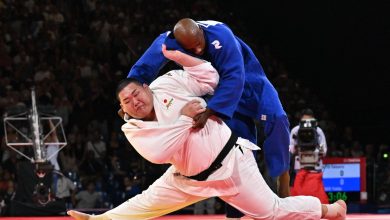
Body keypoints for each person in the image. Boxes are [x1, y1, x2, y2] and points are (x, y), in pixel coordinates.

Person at [67, 46, 346, 220]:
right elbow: (159, 153)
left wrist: (179, 57)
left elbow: (208, 77)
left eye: (135, 93)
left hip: (231, 164)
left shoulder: (168, 83)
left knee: (270, 210)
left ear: (146, 87)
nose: (134, 102)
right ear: (122, 109)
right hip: (186, 179)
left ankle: (329, 210)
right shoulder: (133, 127)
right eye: (126, 102)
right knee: (145, 204)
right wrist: (187, 119)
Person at [126, 18, 291, 219]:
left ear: (202, 34)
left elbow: (234, 76)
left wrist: (211, 110)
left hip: (249, 84)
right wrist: (126, 104)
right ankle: (236, 212)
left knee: (278, 119)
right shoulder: (168, 41)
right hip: (216, 92)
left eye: (199, 45)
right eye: (190, 48)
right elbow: (140, 72)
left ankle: (282, 176)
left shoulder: (221, 34)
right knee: (240, 146)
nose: (196, 51)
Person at [289, 108, 329, 204]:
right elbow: (291, 149)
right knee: (298, 203)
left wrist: (315, 149)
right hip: (300, 171)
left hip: (315, 170)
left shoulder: (318, 131)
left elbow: (324, 151)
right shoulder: (295, 131)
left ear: (313, 120)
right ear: (300, 121)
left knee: (320, 203)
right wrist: (297, 146)